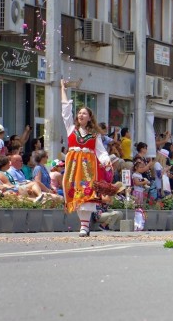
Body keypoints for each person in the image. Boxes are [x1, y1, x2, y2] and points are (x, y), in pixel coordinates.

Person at [61, 79, 112, 237]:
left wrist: (106, 161)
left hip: (88, 168)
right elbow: (65, 111)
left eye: (84, 113)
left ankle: (84, 226)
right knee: (74, 192)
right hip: (73, 167)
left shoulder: (94, 135)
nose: (80, 114)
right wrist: (62, 88)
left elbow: (101, 151)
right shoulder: (71, 128)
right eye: (79, 113)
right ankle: (84, 225)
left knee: (87, 193)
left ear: (90, 117)